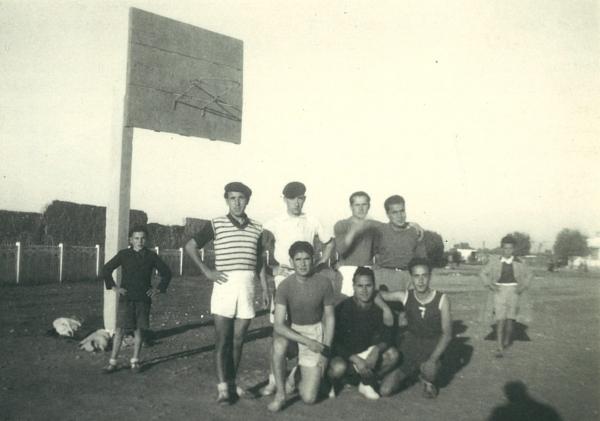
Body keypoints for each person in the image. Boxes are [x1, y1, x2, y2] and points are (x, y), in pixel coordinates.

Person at [185, 182, 269, 405]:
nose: (237, 202)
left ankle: (232, 384)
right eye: (232, 198)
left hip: (248, 285)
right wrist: (207, 271)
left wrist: (265, 286)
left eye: (241, 198)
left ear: (247, 200)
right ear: (227, 200)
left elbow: (259, 260)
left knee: (239, 340)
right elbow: (190, 246)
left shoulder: (257, 227)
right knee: (223, 340)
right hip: (224, 285)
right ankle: (223, 389)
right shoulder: (216, 224)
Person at [260, 181, 334, 396]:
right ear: (284, 199)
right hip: (283, 277)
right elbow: (258, 247)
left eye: (300, 198)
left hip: (308, 277)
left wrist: (320, 264)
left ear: (304, 199)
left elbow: (329, 243)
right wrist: (270, 270)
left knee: (308, 325)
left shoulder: (312, 220)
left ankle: (303, 372)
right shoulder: (274, 222)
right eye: (292, 198)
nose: (296, 202)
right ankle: (274, 379)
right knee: (279, 331)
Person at [268, 241, 335, 412]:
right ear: (291, 262)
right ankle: (281, 394)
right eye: (298, 259)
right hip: (293, 333)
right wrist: (306, 341)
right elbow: (279, 325)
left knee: (309, 398)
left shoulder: (324, 283)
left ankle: (296, 374)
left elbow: (330, 317)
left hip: (314, 332)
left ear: (313, 259)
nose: (303, 263)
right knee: (278, 344)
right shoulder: (285, 286)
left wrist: (325, 350)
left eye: (306, 259)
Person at [102, 225, 172, 373]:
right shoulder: (123, 254)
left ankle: (135, 361)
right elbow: (106, 269)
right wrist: (115, 287)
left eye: (142, 238)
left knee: (139, 330)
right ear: (130, 240)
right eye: (136, 238)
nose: (139, 241)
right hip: (126, 298)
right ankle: (113, 362)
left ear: (146, 240)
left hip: (143, 299)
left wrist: (158, 289)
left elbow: (167, 272)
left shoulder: (151, 256)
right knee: (120, 329)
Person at [380, 258, 452, 398]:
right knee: (385, 390)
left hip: (431, 349)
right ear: (411, 277)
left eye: (424, 276)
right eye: (416, 276)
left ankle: (426, 379)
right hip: (410, 348)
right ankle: (413, 375)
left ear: (430, 276)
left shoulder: (442, 299)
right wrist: (385, 309)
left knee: (430, 372)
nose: (420, 280)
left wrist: (433, 359)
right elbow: (378, 294)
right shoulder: (405, 296)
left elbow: (447, 334)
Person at [328, 267, 403, 399]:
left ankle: (365, 382)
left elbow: (388, 336)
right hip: (347, 359)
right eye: (360, 286)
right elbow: (335, 342)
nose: (364, 290)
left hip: (367, 359)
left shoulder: (378, 309)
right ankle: (334, 382)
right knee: (338, 368)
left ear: (374, 286)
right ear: (353, 287)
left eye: (368, 285)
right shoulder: (343, 308)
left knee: (393, 355)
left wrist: (376, 351)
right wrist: (355, 359)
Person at [480, 235, 532, 358]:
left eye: (510, 248)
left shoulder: (520, 262)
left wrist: (522, 287)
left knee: (510, 321)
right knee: (500, 320)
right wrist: (491, 285)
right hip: (499, 291)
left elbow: (530, 275)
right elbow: (482, 273)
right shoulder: (495, 262)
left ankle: (506, 341)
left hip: (514, 292)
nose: (507, 251)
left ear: (513, 249)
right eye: (505, 248)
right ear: (501, 249)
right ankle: (499, 347)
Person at [374, 195, 427, 292]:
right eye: (394, 212)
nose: (400, 216)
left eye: (402, 211)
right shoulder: (380, 230)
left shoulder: (415, 232)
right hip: (384, 278)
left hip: (408, 279)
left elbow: (421, 261)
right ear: (387, 214)